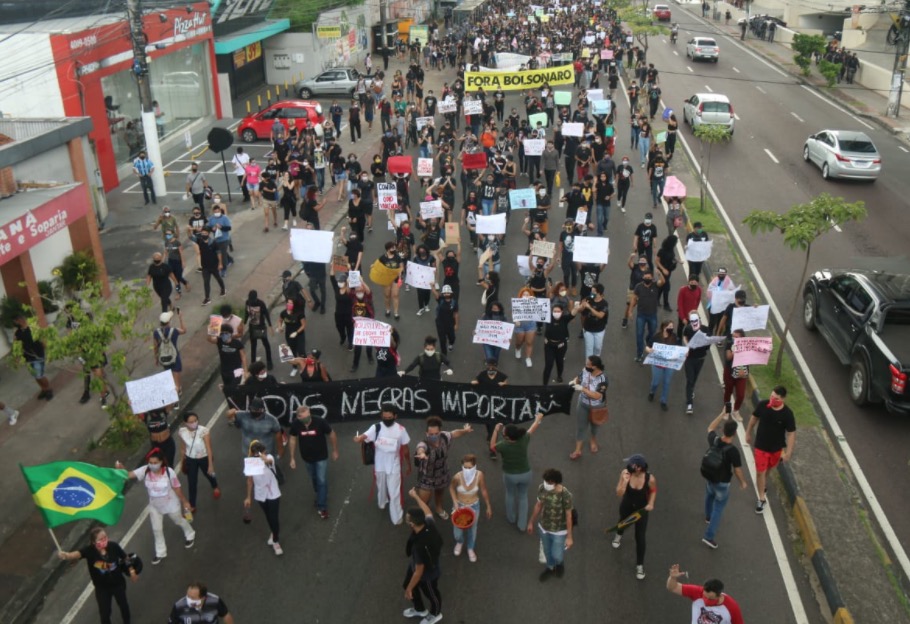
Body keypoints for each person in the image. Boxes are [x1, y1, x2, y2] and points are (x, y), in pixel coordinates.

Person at [116, 449, 195, 566]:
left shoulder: (169, 472)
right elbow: (129, 475)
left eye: (155, 463)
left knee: (178, 521)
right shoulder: (145, 470)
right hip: (154, 506)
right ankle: (160, 552)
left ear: (161, 462)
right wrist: (121, 469)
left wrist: (184, 502)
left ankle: (190, 533)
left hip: (171, 504)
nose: (152, 465)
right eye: (150, 462)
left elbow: (176, 488)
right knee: (156, 529)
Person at [58, 527, 138, 624]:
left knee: (123, 606)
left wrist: (132, 571)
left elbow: (126, 558)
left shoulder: (114, 546)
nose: (104, 540)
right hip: (102, 589)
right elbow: (76, 554)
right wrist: (66, 555)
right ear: (93, 542)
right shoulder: (89, 551)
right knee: (105, 614)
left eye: (105, 537)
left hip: (118, 584)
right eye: (101, 539)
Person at [353, 403, 411, 525]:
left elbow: (405, 449)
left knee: (394, 493)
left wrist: (408, 465)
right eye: (384, 417)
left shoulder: (401, 430)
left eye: (389, 418)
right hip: (380, 465)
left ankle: (397, 517)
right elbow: (365, 435)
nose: (387, 420)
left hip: (394, 464)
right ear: (381, 416)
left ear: (395, 416)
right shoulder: (376, 427)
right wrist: (359, 438)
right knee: (381, 485)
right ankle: (382, 502)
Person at [745, 386, 796, 514]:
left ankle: (763, 484)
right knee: (760, 472)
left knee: (768, 469)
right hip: (761, 446)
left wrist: (788, 452)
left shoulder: (787, 414)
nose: (773, 399)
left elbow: (791, 433)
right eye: (772, 396)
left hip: (776, 449)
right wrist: (748, 432)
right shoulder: (763, 405)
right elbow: (754, 418)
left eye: (776, 398)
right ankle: (761, 498)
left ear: (783, 399)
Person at [490, 413, 544, 531]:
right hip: (526, 474)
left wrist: (495, 430)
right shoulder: (524, 439)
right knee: (523, 496)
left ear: (506, 437)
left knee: (510, 494)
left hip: (510, 475)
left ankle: (511, 518)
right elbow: (533, 427)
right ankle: (522, 524)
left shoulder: (502, 445)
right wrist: (538, 419)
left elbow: (492, 446)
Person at [703, 413, 748, 549]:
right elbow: (737, 470)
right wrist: (742, 482)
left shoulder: (715, 441)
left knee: (709, 495)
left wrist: (722, 413)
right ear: (734, 433)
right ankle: (709, 536)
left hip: (710, 476)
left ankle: (707, 517)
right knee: (718, 508)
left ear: (722, 430)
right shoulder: (733, 451)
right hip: (722, 484)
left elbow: (710, 428)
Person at [414, 416, 473, 518]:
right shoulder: (423, 444)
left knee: (439, 493)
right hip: (427, 476)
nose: (434, 436)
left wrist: (465, 431)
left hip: (442, 473)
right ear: (426, 433)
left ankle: (439, 508)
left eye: (436, 433)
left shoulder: (445, 436)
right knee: (423, 501)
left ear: (440, 432)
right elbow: (420, 448)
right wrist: (422, 454)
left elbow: (454, 433)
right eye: (431, 434)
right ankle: (422, 517)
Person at [288, 405, 339, 519]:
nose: (306, 419)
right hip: (307, 458)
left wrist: (335, 450)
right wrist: (292, 457)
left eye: (307, 416)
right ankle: (320, 494)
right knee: (314, 478)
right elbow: (292, 438)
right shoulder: (296, 424)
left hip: (321, 457)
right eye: (303, 418)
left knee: (321, 480)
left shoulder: (320, 422)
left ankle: (322, 506)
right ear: (298, 417)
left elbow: (331, 433)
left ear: (309, 414)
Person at [402, 488, 444, 624]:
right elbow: (428, 512)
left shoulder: (419, 547)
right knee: (408, 583)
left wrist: (409, 589)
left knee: (431, 594)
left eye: (407, 517)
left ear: (412, 524)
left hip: (428, 574)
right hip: (417, 565)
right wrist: (416, 497)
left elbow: (419, 572)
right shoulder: (428, 524)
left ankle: (435, 614)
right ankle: (419, 609)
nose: (406, 517)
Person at [612, 453, 656, 580]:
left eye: (632, 464)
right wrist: (625, 482)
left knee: (640, 536)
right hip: (627, 505)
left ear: (639, 468)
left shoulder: (650, 478)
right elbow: (619, 493)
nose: (628, 466)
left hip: (641, 510)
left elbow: (653, 490)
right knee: (622, 522)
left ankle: (639, 565)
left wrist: (651, 503)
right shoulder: (625, 473)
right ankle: (619, 534)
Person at [527, 468, 574, 582]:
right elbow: (538, 505)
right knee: (547, 552)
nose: (546, 484)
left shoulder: (565, 495)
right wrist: (531, 522)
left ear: (556, 482)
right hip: (544, 527)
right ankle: (550, 568)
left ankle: (559, 563)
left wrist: (569, 537)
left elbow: (569, 516)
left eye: (549, 482)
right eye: (545, 481)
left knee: (557, 554)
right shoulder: (542, 488)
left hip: (559, 530)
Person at [448, 454, 492, 562]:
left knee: (472, 529)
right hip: (460, 506)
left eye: (470, 468)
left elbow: (484, 490)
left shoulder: (479, 475)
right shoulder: (457, 477)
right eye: (465, 467)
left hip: (474, 506)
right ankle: (460, 541)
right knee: (457, 532)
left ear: (475, 466)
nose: (467, 470)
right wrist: (455, 502)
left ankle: (470, 548)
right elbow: (451, 488)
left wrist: (488, 506)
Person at [244, 439, 284, 556]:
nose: (258, 455)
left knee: (274, 518)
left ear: (264, 451)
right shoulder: (250, 463)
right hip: (260, 494)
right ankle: (273, 533)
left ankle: (276, 541)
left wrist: (264, 459)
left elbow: (269, 461)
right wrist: (248, 497)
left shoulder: (269, 458)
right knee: (268, 516)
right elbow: (249, 481)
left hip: (273, 492)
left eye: (260, 452)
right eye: (255, 453)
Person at [666, 567, 744, 624]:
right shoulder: (698, 592)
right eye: (704, 596)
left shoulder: (732, 607)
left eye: (710, 598)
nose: (706, 601)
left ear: (719, 596)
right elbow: (673, 587)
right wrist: (672, 578)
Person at [178, 411, 220, 512]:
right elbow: (183, 447)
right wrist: (182, 461)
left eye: (195, 420)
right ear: (185, 423)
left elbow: (208, 448)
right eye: (191, 422)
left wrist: (210, 465)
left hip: (203, 458)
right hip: (190, 459)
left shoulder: (203, 431)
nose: (194, 423)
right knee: (192, 482)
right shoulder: (182, 432)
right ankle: (192, 505)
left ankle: (215, 486)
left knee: (209, 474)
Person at [570, 355, 608, 459]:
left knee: (595, 426)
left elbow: (597, 395)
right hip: (583, 403)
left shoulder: (603, 379)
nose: (585, 365)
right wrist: (574, 381)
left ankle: (593, 439)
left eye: (588, 364)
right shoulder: (585, 370)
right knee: (580, 427)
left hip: (597, 407)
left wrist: (583, 389)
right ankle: (578, 450)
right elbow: (579, 378)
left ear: (594, 367)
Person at [629, 265, 664, 362]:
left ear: (652, 278)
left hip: (652, 315)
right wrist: (630, 311)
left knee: (652, 333)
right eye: (646, 277)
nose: (647, 279)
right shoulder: (638, 287)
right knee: (639, 334)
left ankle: (648, 340)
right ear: (643, 277)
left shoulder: (655, 285)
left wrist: (660, 274)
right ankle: (639, 354)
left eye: (649, 277)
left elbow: (662, 281)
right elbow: (634, 299)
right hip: (641, 315)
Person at [682, 312, 712, 414]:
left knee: (694, 378)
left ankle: (691, 391)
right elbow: (685, 337)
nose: (694, 323)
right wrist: (687, 345)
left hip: (700, 358)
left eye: (696, 320)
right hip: (689, 358)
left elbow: (709, 342)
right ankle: (689, 404)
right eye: (692, 321)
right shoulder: (688, 328)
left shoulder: (705, 329)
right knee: (690, 380)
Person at [645, 320, 678, 410]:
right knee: (655, 382)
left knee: (667, 382)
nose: (671, 329)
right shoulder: (657, 337)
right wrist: (649, 350)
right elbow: (647, 346)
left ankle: (664, 401)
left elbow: (678, 348)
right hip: (657, 364)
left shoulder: (674, 337)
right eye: (669, 327)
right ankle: (652, 392)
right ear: (664, 327)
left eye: (672, 327)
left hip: (669, 364)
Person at [168, 582, 235, 624]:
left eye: (193, 598)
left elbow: (226, 615)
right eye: (188, 596)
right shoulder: (179, 606)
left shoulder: (215, 601)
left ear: (203, 597)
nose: (188, 599)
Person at [542, 302, 575, 385]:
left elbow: (573, 314)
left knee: (559, 362)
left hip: (561, 345)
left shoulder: (564, 319)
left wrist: (578, 307)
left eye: (558, 311)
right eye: (554, 311)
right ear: (551, 312)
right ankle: (544, 384)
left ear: (562, 312)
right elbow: (536, 313)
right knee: (548, 364)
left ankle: (559, 375)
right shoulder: (547, 318)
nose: (556, 313)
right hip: (549, 345)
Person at [722, 329, 750, 420]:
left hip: (741, 373)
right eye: (733, 336)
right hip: (729, 372)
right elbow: (728, 357)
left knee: (741, 395)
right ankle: (727, 409)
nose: (734, 338)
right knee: (728, 391)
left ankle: (736, 410)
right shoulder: (730, 344)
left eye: (736, 337)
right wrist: (735, 350)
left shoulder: (747, 346)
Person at [244, 290, 274, 371]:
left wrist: (270, 326)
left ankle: (269, 361)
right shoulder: (247, 302)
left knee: (266, 344)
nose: (251, 302)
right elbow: (246, 313)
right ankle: (253, 363)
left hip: (261, 327)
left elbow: (266, 314)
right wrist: (244, 323)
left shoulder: (261, 303)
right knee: (253, 346)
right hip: (252, 327)